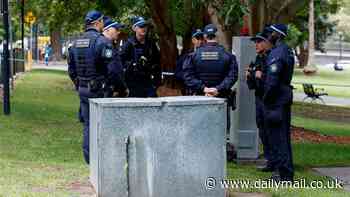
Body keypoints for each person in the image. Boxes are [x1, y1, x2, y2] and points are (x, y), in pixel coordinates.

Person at [67, 10, 125, 164]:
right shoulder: (101, 42)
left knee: (88, 125)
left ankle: (90, 160)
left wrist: (80, 83)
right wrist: (120, 88)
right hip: (100, 91)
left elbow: (71, 70)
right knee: (104, 126)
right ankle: (103, 162)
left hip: (83, 90)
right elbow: (113, 70)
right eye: (101, 21)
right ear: (98, 22)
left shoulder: (76, 42)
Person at [263, 24, 295, 182]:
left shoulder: (278, 52)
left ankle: (284, 175)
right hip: (283, 97)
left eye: (271, 33)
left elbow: (273, 80)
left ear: (277, 35)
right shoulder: (286, 50)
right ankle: (285, 173)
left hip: (277, 99)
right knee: (283, 137)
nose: (269, 35)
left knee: (279, 138)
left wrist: (267, 98)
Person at [183, 24, 238, 99]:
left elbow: (188, 77)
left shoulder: (193, 56)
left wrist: (204, 89)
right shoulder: (229, 56)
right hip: (222, 98)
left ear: (205, 36)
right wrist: (218, 89)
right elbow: (232, 76)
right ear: (217, 35)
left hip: (200, 97)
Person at [246, 32, 273, 172]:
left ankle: (276, 162)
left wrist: (261, 76)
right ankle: (270, 160)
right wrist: (250, 75)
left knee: (270, 130)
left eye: (258, 42)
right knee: (262, 129)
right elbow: (251, 85)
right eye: (255, 42)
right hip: (259, 98)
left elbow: (273, 81)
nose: (256, 45)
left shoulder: (271, 58)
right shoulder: (258, 58)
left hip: (269, 100)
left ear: (266, 42)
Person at [120, 16, 161, 97]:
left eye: (145, 26)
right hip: (133, 84)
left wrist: (156, 82)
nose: (144, 28)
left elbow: (157, 63)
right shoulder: (128, 44)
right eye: (141, 26)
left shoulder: (151, 44)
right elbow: (121, 63)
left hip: (149, 82)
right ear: (134, 28)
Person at [103, 16, 129, 97]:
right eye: (116, 29)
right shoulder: (106, 45)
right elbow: (113, 70)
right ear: (107, 30)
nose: (119, 32)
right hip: (109, 89)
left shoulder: (108, 44)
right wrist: (122, 88)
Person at [175, 29, 204, 95]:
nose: (200, 41)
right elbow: (177, 73)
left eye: (202, 38)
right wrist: (189, 77)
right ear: (193, 40)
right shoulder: (185, 57)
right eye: (198, 38)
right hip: (189, 91)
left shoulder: (207, 56)